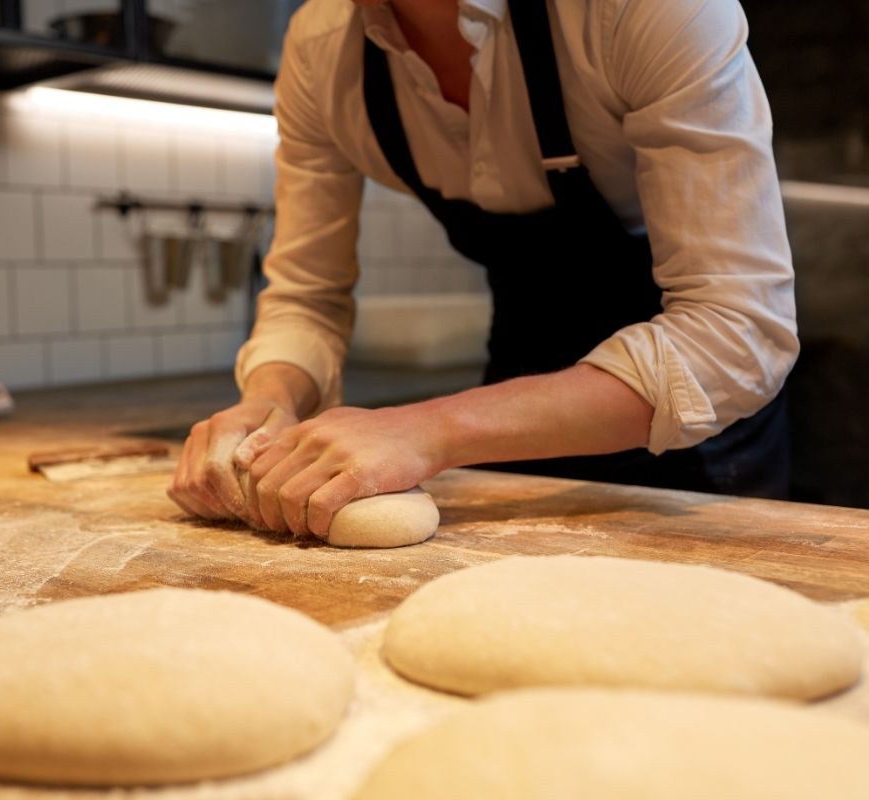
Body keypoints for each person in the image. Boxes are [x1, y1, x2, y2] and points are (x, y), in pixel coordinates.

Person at [168, 0, 797, 538]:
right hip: (517, 385)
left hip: (694, 424)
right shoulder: (320, 48)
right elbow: (306, 296)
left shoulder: (639, 11)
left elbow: (736, 330)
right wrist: (270, 399)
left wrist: (430, 428)